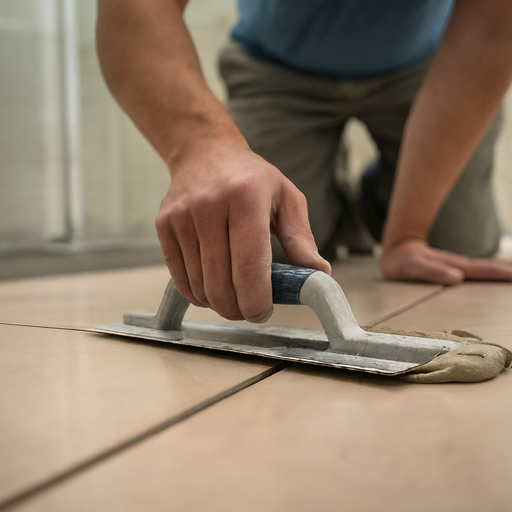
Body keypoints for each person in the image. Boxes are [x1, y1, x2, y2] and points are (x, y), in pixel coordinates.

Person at [97, 0, 512, 324]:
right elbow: (132, 11)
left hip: (427, 64)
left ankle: (374, 199)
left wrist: (407, 234)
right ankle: (323, 190)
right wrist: (203, 148)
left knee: (455, 245)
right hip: (277, 68)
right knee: (253, 245)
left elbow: (494, 27)